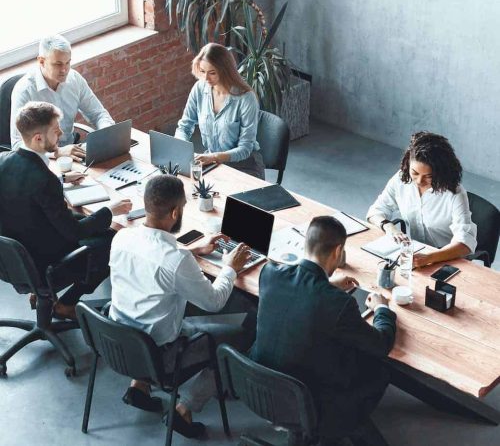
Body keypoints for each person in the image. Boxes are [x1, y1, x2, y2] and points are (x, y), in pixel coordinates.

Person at [109, 174, 254, 438]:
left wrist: (193, 252)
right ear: (175, 211)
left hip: (121, 343)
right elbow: (214, 302)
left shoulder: (122, 238)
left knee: (150, 306)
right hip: (160, 355)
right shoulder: (175, 260)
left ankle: (139, 387)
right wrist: (230, 268)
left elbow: (158, 257)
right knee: (237, 340)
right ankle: (184, 409)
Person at [250, 216, 397, 444]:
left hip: (259, 386)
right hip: (308, 401)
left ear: (306, 243)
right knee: (379, 369)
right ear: (338, 251)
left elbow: (297, 299)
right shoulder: (338, 303)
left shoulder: (269, 273)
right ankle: (348, 426)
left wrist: (326, 285)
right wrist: (381, 309)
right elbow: (381, 344)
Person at [0, 102, 131, 319]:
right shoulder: (43, 180)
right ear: (38, 138)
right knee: (113, 240)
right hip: (43, 262)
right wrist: (110, 210)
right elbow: (74, 233)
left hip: (12, 258)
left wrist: (60, 180)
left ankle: (39, 293)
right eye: (56, 129)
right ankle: (67, 303)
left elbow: (24, 192)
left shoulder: (4, 161)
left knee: (90, 222)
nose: (62, 133)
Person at [367, 131, 477, 267]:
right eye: (415, 173)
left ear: (440, 172)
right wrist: (389, 226)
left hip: (446, 257)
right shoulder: (401, 178)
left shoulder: (455, 194)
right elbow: (375, 211)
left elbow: (465, 243)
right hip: (415, 253)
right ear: (408, 164)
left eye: (428, 176)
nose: (419, 180)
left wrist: (430, 257)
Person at [10, 34, 114, 161]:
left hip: (73, 152)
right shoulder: (25, 90)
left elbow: (98, 114)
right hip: (42, 159)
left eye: (68, 62)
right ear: (41, 61)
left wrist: (107, 134)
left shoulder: (74, 79)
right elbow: (17, 146)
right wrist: (57, 153)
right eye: (58, 64)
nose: (64, 70)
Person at [175, 42, 265, 179]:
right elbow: (184, 127)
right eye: (203, 71)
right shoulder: (199, 88)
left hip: (244, 166)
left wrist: (214, 157)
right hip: (213, 162)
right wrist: (181, 148)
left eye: (212, 73)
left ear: (225, 71)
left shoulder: (246, 99)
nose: (206, 78)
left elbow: (245, 148)